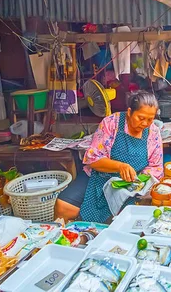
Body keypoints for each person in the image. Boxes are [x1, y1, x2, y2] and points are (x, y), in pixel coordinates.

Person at [54, 91, 163, 222]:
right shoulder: (112, 123)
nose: (145, 123)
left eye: (150, 119)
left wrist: (137, 182)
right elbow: (92, 159)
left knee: (127, 217)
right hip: (99, 176)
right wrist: (119, 166)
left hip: (131, 184)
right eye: (141, 118)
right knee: (63, 206)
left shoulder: (153, 132)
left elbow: (155, 167)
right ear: (129, 112)